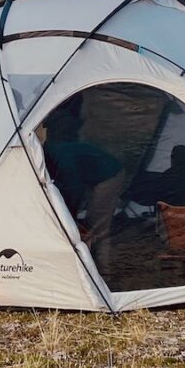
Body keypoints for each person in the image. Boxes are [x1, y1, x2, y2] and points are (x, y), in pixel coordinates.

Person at [42, 114, 123, 266]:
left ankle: (101, 268)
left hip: (110, 174)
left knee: (98, 224)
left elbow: (74, 189)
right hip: (92, 173)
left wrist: (68, 215)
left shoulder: (61, 158)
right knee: (85, 223)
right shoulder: (49, 150)